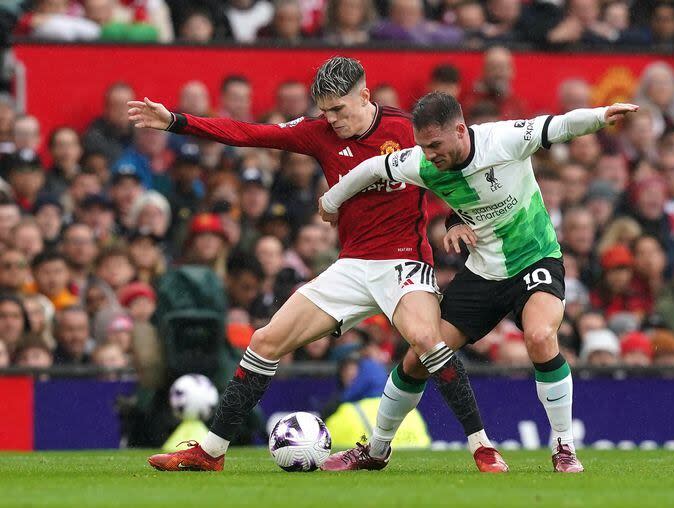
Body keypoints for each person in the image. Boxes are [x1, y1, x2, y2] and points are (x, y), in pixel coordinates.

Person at [133, 57, 498, 472]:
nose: (332, 120)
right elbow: (251, 133)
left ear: (364, 94)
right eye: (324, 111)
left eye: (339, 109)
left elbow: (453, 169)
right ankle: (211, 452)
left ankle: (482, 447)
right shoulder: (319, 132)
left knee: (428, 342)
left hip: (404, 262)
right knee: (264, 341)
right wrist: (177, 121)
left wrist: (454, 218)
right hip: (351, 266)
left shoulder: (405, 130)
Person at [320, 90, 638, 472]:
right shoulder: (421, 162)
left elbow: (559, 125)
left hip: (534, 259)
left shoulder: (503, 140)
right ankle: (376, 449)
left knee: (539, 337)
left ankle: (564, 446)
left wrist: (602, 114)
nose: (430, 154)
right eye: (423, 145)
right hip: (484, 272)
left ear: (459, 130)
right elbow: (372, 169)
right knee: (421, 356)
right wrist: (331, 201)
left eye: (435, 144)